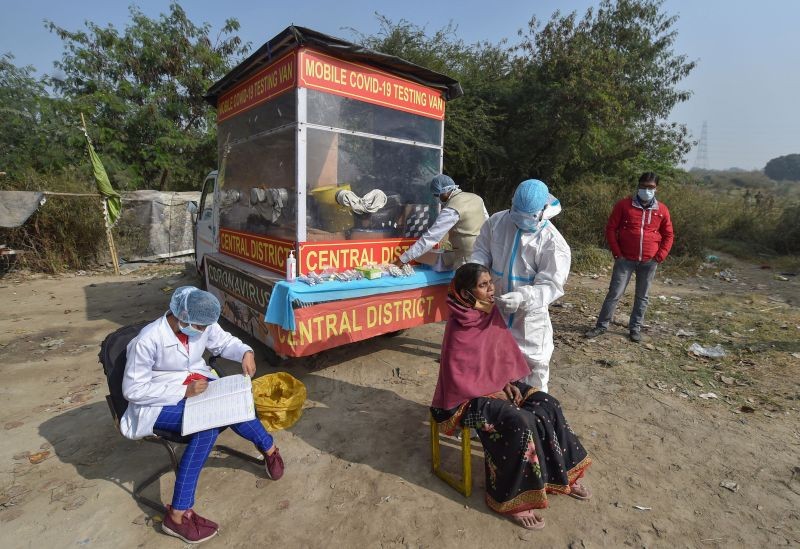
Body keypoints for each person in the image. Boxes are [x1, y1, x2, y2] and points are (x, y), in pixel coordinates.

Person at [431, 263, 591, 530]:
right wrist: (494, 390)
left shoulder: (488, 312)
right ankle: (512, 498)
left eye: (490, 282)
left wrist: (505, 382)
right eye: (483, 285)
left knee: (547, 404)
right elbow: (459, 376)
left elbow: (498, 356)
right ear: (465, 293)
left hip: (494, 385)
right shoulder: (459, 324)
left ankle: (559, 475)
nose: (491, 289)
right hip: (464, 399)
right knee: (520, 421)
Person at [121, 286, 285, 544]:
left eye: (205, 326)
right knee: (206, 427)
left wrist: (245, 352)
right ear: (181, 316)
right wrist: (182, 391)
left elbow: (224, 341)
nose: (203, 331)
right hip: (157, 404)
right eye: (198, 326)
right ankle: (177, 516)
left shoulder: (201, 325)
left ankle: (270, 448)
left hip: (197, 387)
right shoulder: (147, 340)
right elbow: (133, 390)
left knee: (233, 405)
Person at [470, 179, 571, 392]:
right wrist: (476, 272)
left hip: (529, 320)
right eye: (517, 215)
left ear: (543, 211)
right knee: (492, 362)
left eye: (528, 218)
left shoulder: (553, 242)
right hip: (493, 309)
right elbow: (481, 251)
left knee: (533, 370)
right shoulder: (496, 222)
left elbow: (551, 285)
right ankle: (495, 417)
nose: (520, 222)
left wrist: (522, 298)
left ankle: (532, 419)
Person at [585, 172, 674, 343]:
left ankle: (635, 329)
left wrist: (659, 256)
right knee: (614, 293)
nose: (646, 190)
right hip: (625, 259)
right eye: (643, 186)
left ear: (657, 188)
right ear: (638, 186)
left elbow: (669, 235)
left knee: (642, 296)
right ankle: (601, 326)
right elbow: (611, 229)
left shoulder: (662, 210)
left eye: (651, 187)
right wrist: (617, 253)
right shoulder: (624, 206)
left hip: (649, 261)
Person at [395, 174, 488, 268]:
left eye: (436, 195)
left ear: (445, 191)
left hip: (467, 261)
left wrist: (403, 259)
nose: (437, 198)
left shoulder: (451, 209)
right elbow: (487, 223)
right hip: (484, 256)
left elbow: (431, 238)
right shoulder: (477, 198)